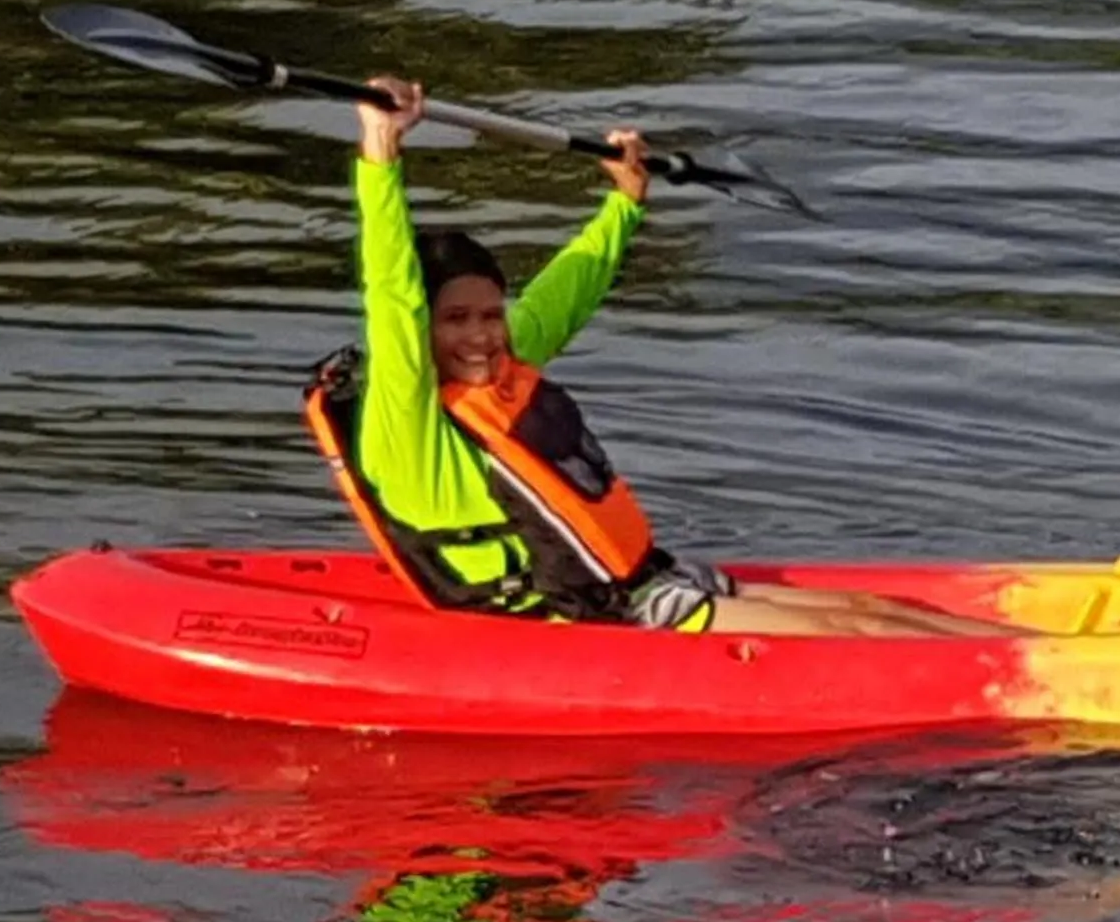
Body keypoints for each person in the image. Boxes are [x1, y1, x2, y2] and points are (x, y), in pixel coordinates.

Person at [310, 77, 1019, 638]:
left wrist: (625, 203)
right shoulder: (405, 414)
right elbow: (392, 290)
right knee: (847, 634)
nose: (482, 335)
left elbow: (569, 290)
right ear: (421, 333)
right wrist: (381, 152)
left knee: (867, 614)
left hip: (644, 582)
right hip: (580, 624)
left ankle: (1029, 647)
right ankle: (1032, 673)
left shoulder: (497, 369)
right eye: (456, 320)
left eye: (491, 315)